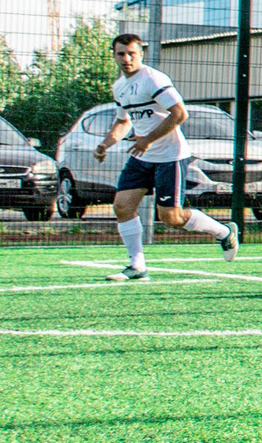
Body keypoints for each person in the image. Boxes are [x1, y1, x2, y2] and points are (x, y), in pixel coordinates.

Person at [97, 31, 239, 280]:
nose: (127, 58)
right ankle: (137, 266)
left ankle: (224, 232)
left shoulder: (153, 79)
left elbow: (179, 114)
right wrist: (105, 144)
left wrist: (147, 140)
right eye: (121, 53)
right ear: (114, 56)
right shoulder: (119, 87)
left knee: (171, 218)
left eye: (132, 53)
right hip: (142, 156)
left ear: (141, 54)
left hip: (170, 156)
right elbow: (123, 122)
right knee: (122, 206)